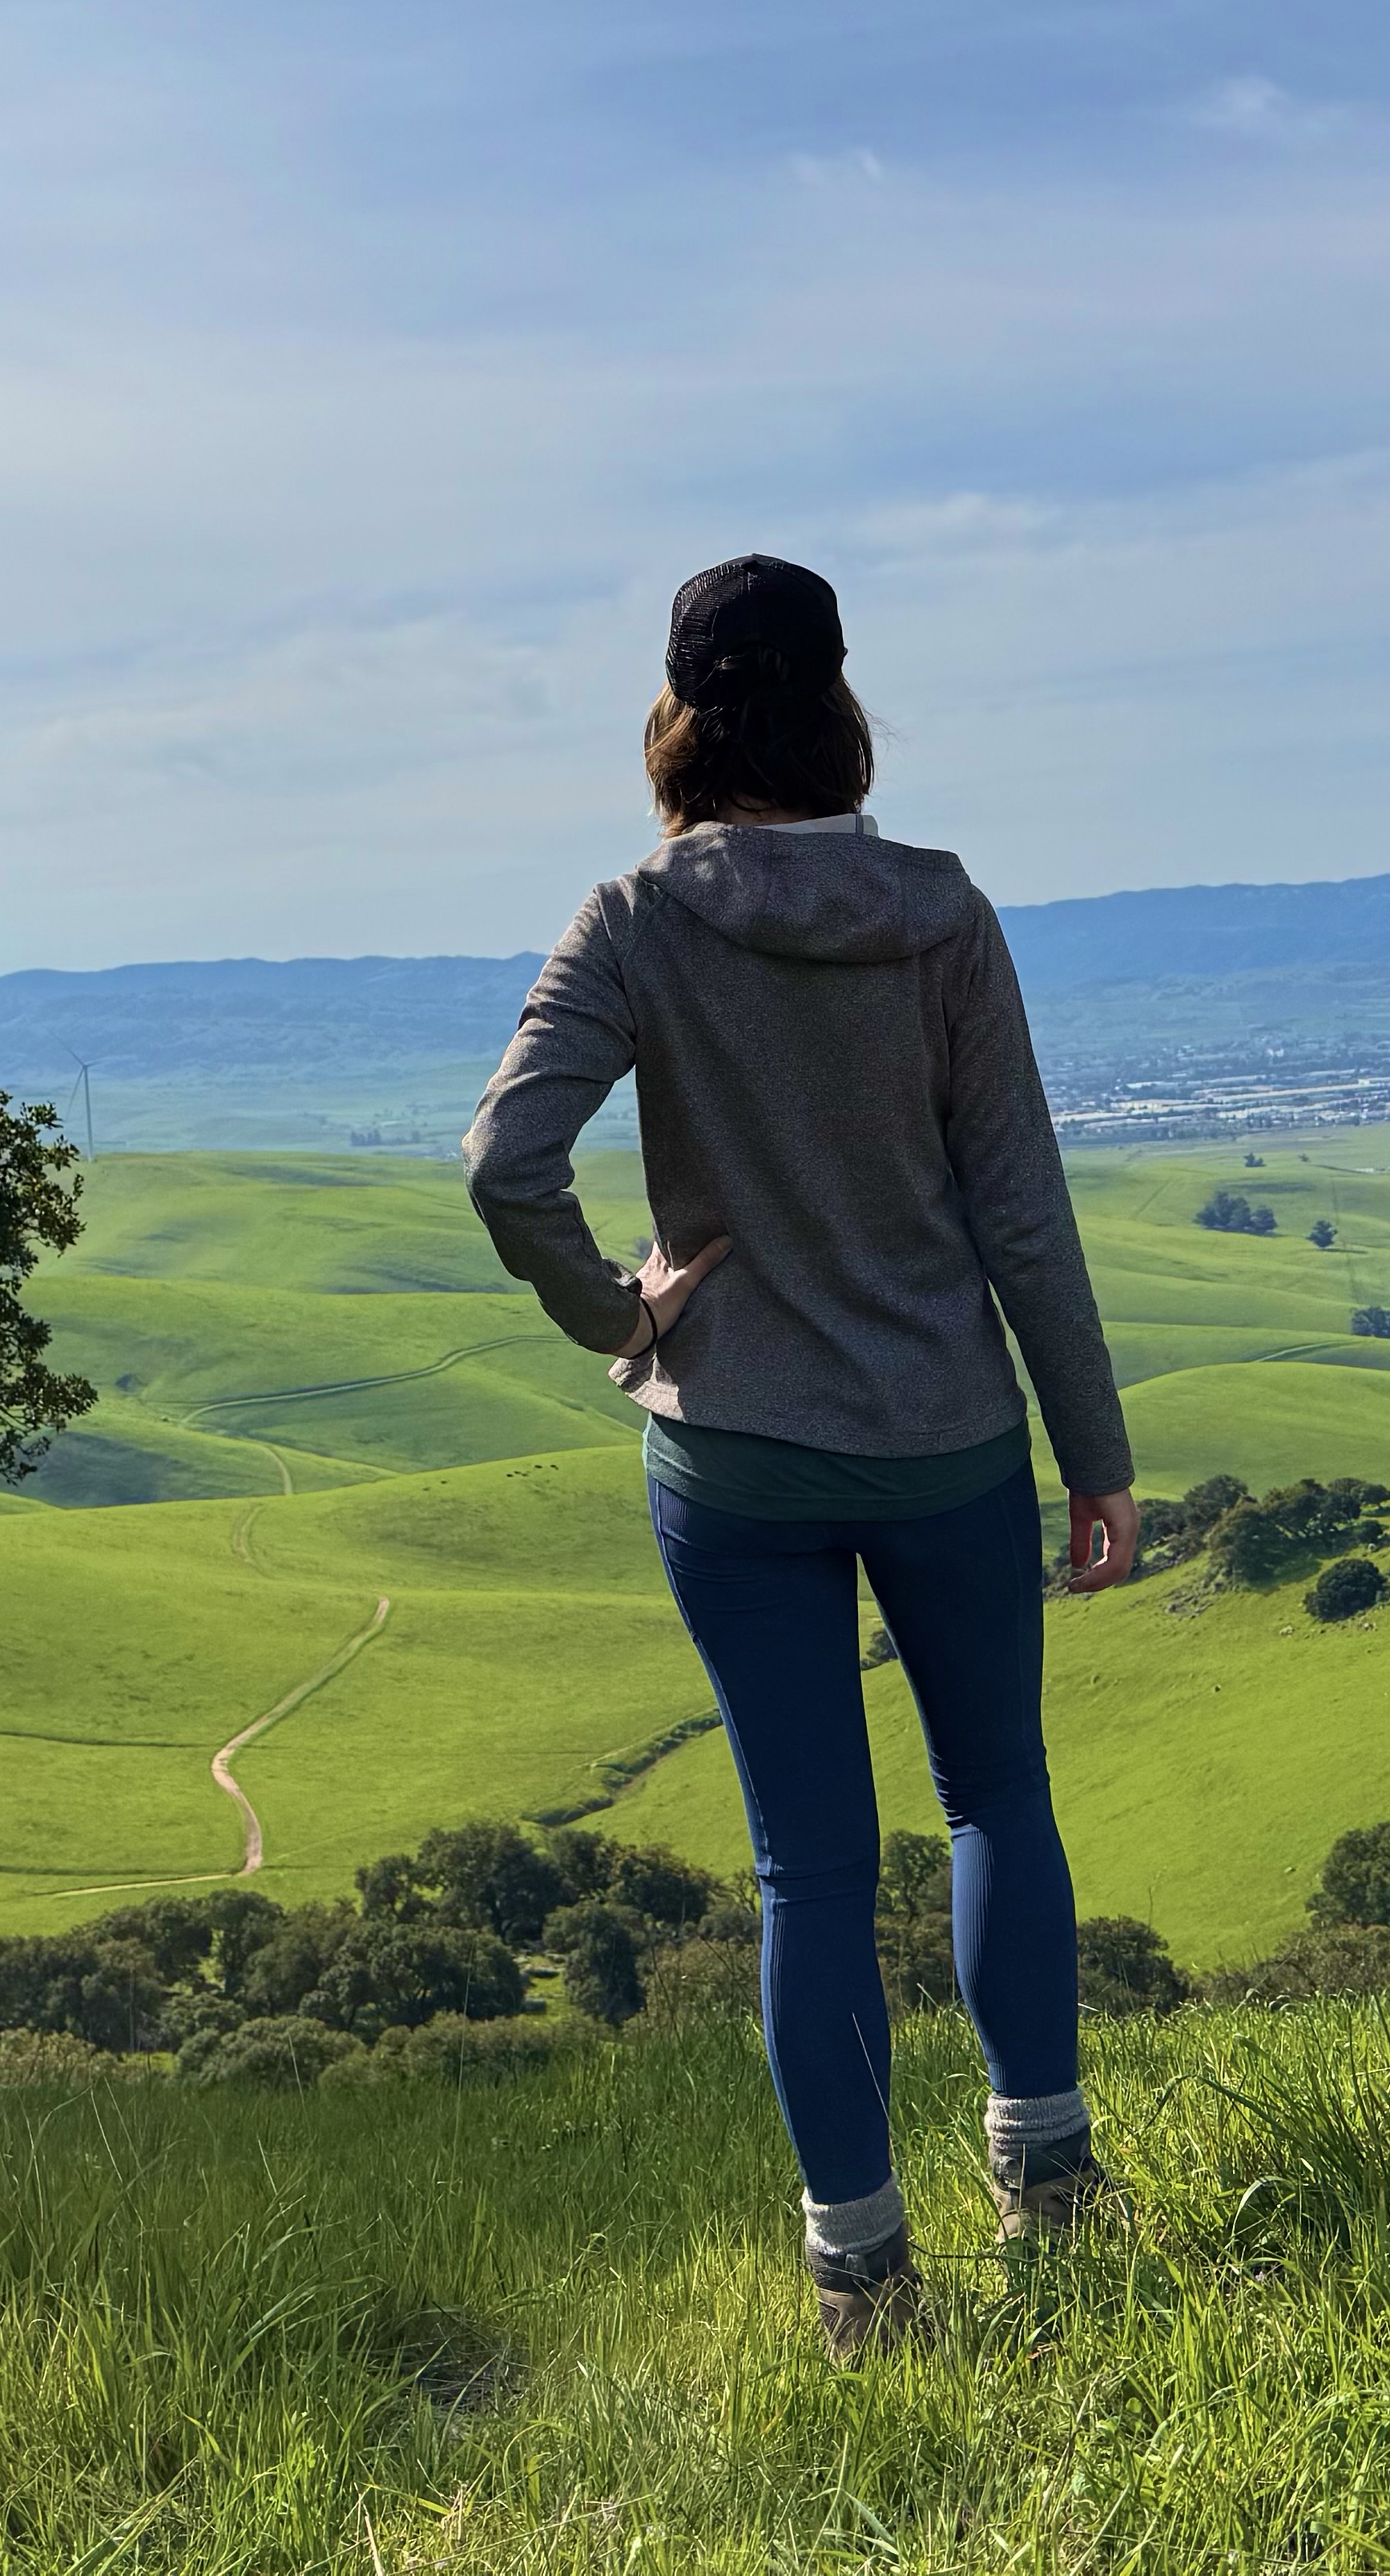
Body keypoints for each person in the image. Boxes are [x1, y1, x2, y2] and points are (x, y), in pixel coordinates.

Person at [463, 553, 1138, 2361]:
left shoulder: (632, 921)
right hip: (947, 1439)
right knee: (999, 1799)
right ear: (842, 706)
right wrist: (1097, 1454)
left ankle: (861, 2279)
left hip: (739, 1451)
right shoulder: (941, 914)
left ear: (680, 716)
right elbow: (1024, 1210)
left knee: (809, 1871)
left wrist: (625, 1314)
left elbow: (503, 1169)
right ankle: (1053, 2187)